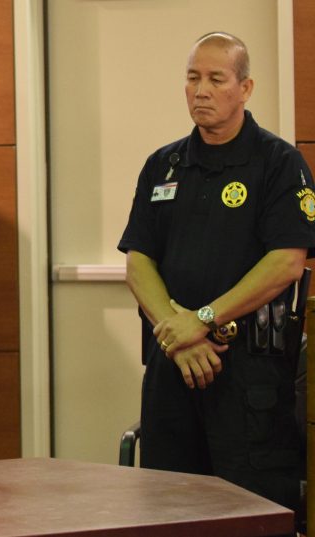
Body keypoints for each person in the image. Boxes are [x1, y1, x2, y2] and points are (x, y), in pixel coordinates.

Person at [119, 32, 315, 516]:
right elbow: (138, 262)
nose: (200, 90)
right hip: (173, 368)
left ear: (245, 88)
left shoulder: (279, 163)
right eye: (192, 78)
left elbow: (287, 262)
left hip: (248, 377)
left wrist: (201, 319)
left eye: (215, 79)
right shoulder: (163, 165)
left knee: (250, 515)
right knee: (169, 512)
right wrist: (179, 335)